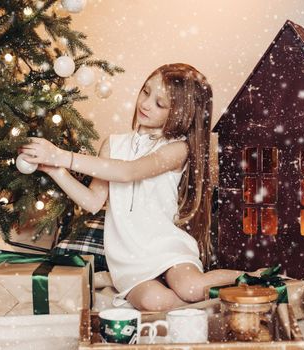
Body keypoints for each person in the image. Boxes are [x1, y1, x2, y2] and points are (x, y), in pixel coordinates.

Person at [20, 63, 243, 311]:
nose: (145, 104)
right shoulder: (113, 144)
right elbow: (93, 201)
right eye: (146, 92)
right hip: (128, 258)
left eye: (160, 103)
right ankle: (216, 304)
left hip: (165, 245)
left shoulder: (177, 149)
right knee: (154, 302)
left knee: (190, 287)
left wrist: (62, 156)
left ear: (181, 113)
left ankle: (256, 279)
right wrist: (55, 170)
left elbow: (129, 171)